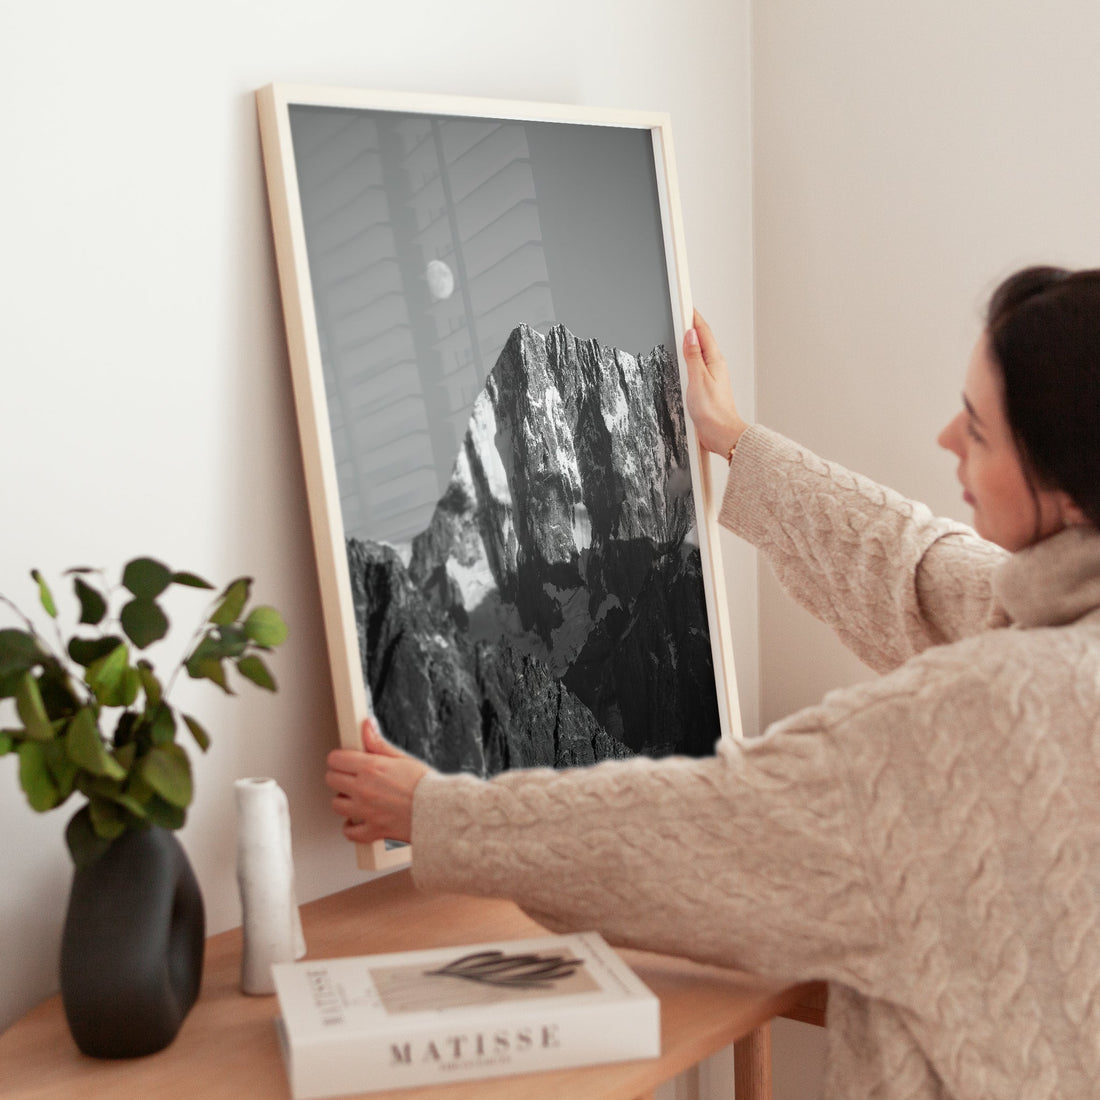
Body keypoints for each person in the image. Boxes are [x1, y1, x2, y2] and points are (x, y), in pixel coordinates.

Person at [325, 266, 1100, 1099]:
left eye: (980, 432)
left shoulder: (976, 719)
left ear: (1064, 489)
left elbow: (705, 828)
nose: (948, 437)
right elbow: (918, 570)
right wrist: (734, 440)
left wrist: (436, 814)